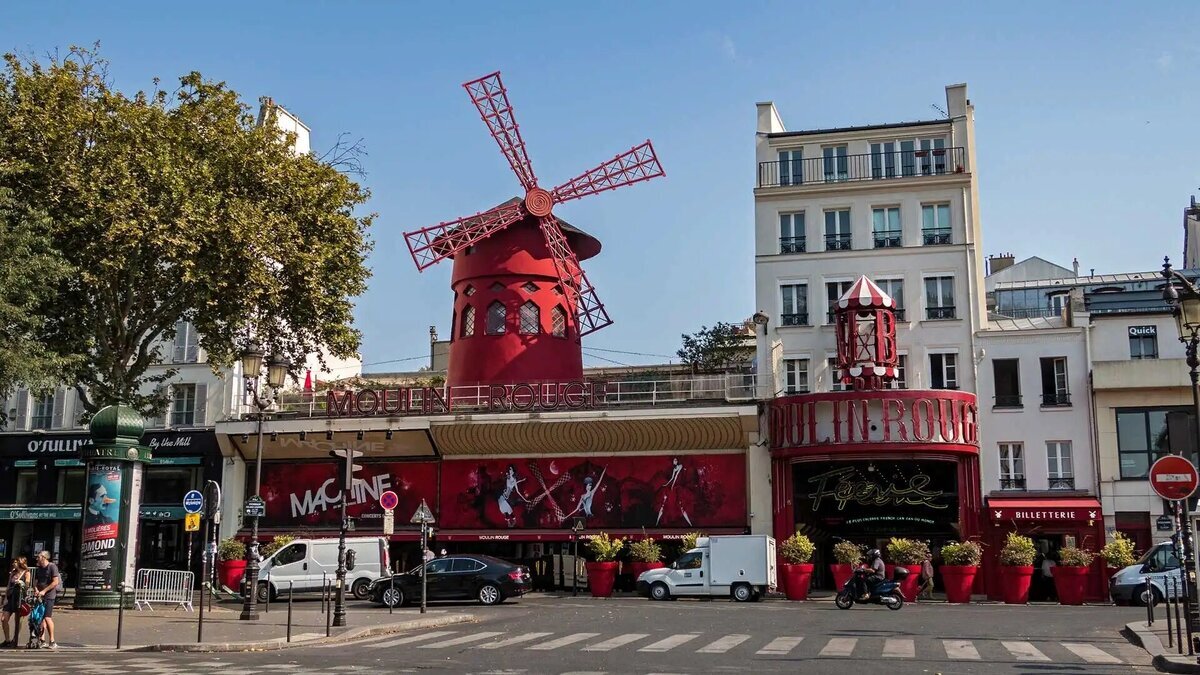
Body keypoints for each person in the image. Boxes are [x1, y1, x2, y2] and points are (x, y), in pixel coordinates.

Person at [2, 557, 31, 648]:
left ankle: (15, 639)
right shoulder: (13, 573)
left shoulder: (26, 572)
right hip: (11, 597)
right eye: (13, 562)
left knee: (18, 621)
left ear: (20, 563)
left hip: (19, 598)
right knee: (4, 619)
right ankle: (7, 640)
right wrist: (6, 598)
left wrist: (22, 583)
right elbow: (8, 586)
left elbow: (27, 584)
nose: (14, 564)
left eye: (16, 562)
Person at [33, 551, 59, 650]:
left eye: (38, 557)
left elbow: (55, 582)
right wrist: (36, 590)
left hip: (49, 595)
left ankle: (52, 641)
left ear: (44, 557)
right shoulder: (39, 568)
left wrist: (44, 591)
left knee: (47, 617)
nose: (37, 559)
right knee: (40, 618)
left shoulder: (52, 567)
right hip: (40, 595)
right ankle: (42, 640)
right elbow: (36, 581)